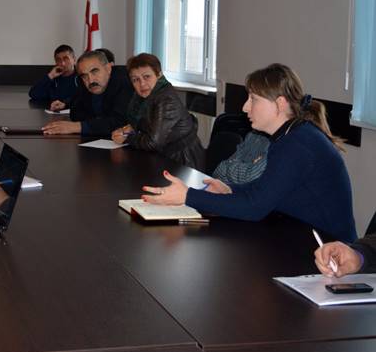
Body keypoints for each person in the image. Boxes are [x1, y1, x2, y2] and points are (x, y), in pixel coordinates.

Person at [141, 63, 357, 243]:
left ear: (280, 103)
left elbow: (255, 207)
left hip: (330, 252)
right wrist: (230, 189)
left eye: (253, 99)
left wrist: (188, 196)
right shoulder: (291, 136)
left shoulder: (298, 144)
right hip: (299, 237)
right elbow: (268, 188)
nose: (245, 107)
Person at [111, 53, 204, 169]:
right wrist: (129, 129)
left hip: (182, 162)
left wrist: (127, 137)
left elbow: (153, 142)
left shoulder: (166, 99)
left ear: (159, 75)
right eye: (135, 80)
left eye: (147, 77)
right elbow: (144, 122)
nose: (142, 84)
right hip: (163, 155)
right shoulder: (142, 96)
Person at [43, 50, 132, 136]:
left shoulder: (125, 83)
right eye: (84, 76)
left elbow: (120, 123)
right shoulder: (83, 82)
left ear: (108, 68)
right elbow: (75, 113)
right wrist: (99, 123)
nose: (90, 80)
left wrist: (79, 127)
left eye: (95, 72)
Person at [29, 44, 78, 111]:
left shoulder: (81, 77)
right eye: (58, 60)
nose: (62, 63)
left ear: (74, 60)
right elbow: (34, 94)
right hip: (54, 114)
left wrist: (66, 103)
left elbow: (84, 97)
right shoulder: (53, 78)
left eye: (66, 59)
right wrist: (50, 76)